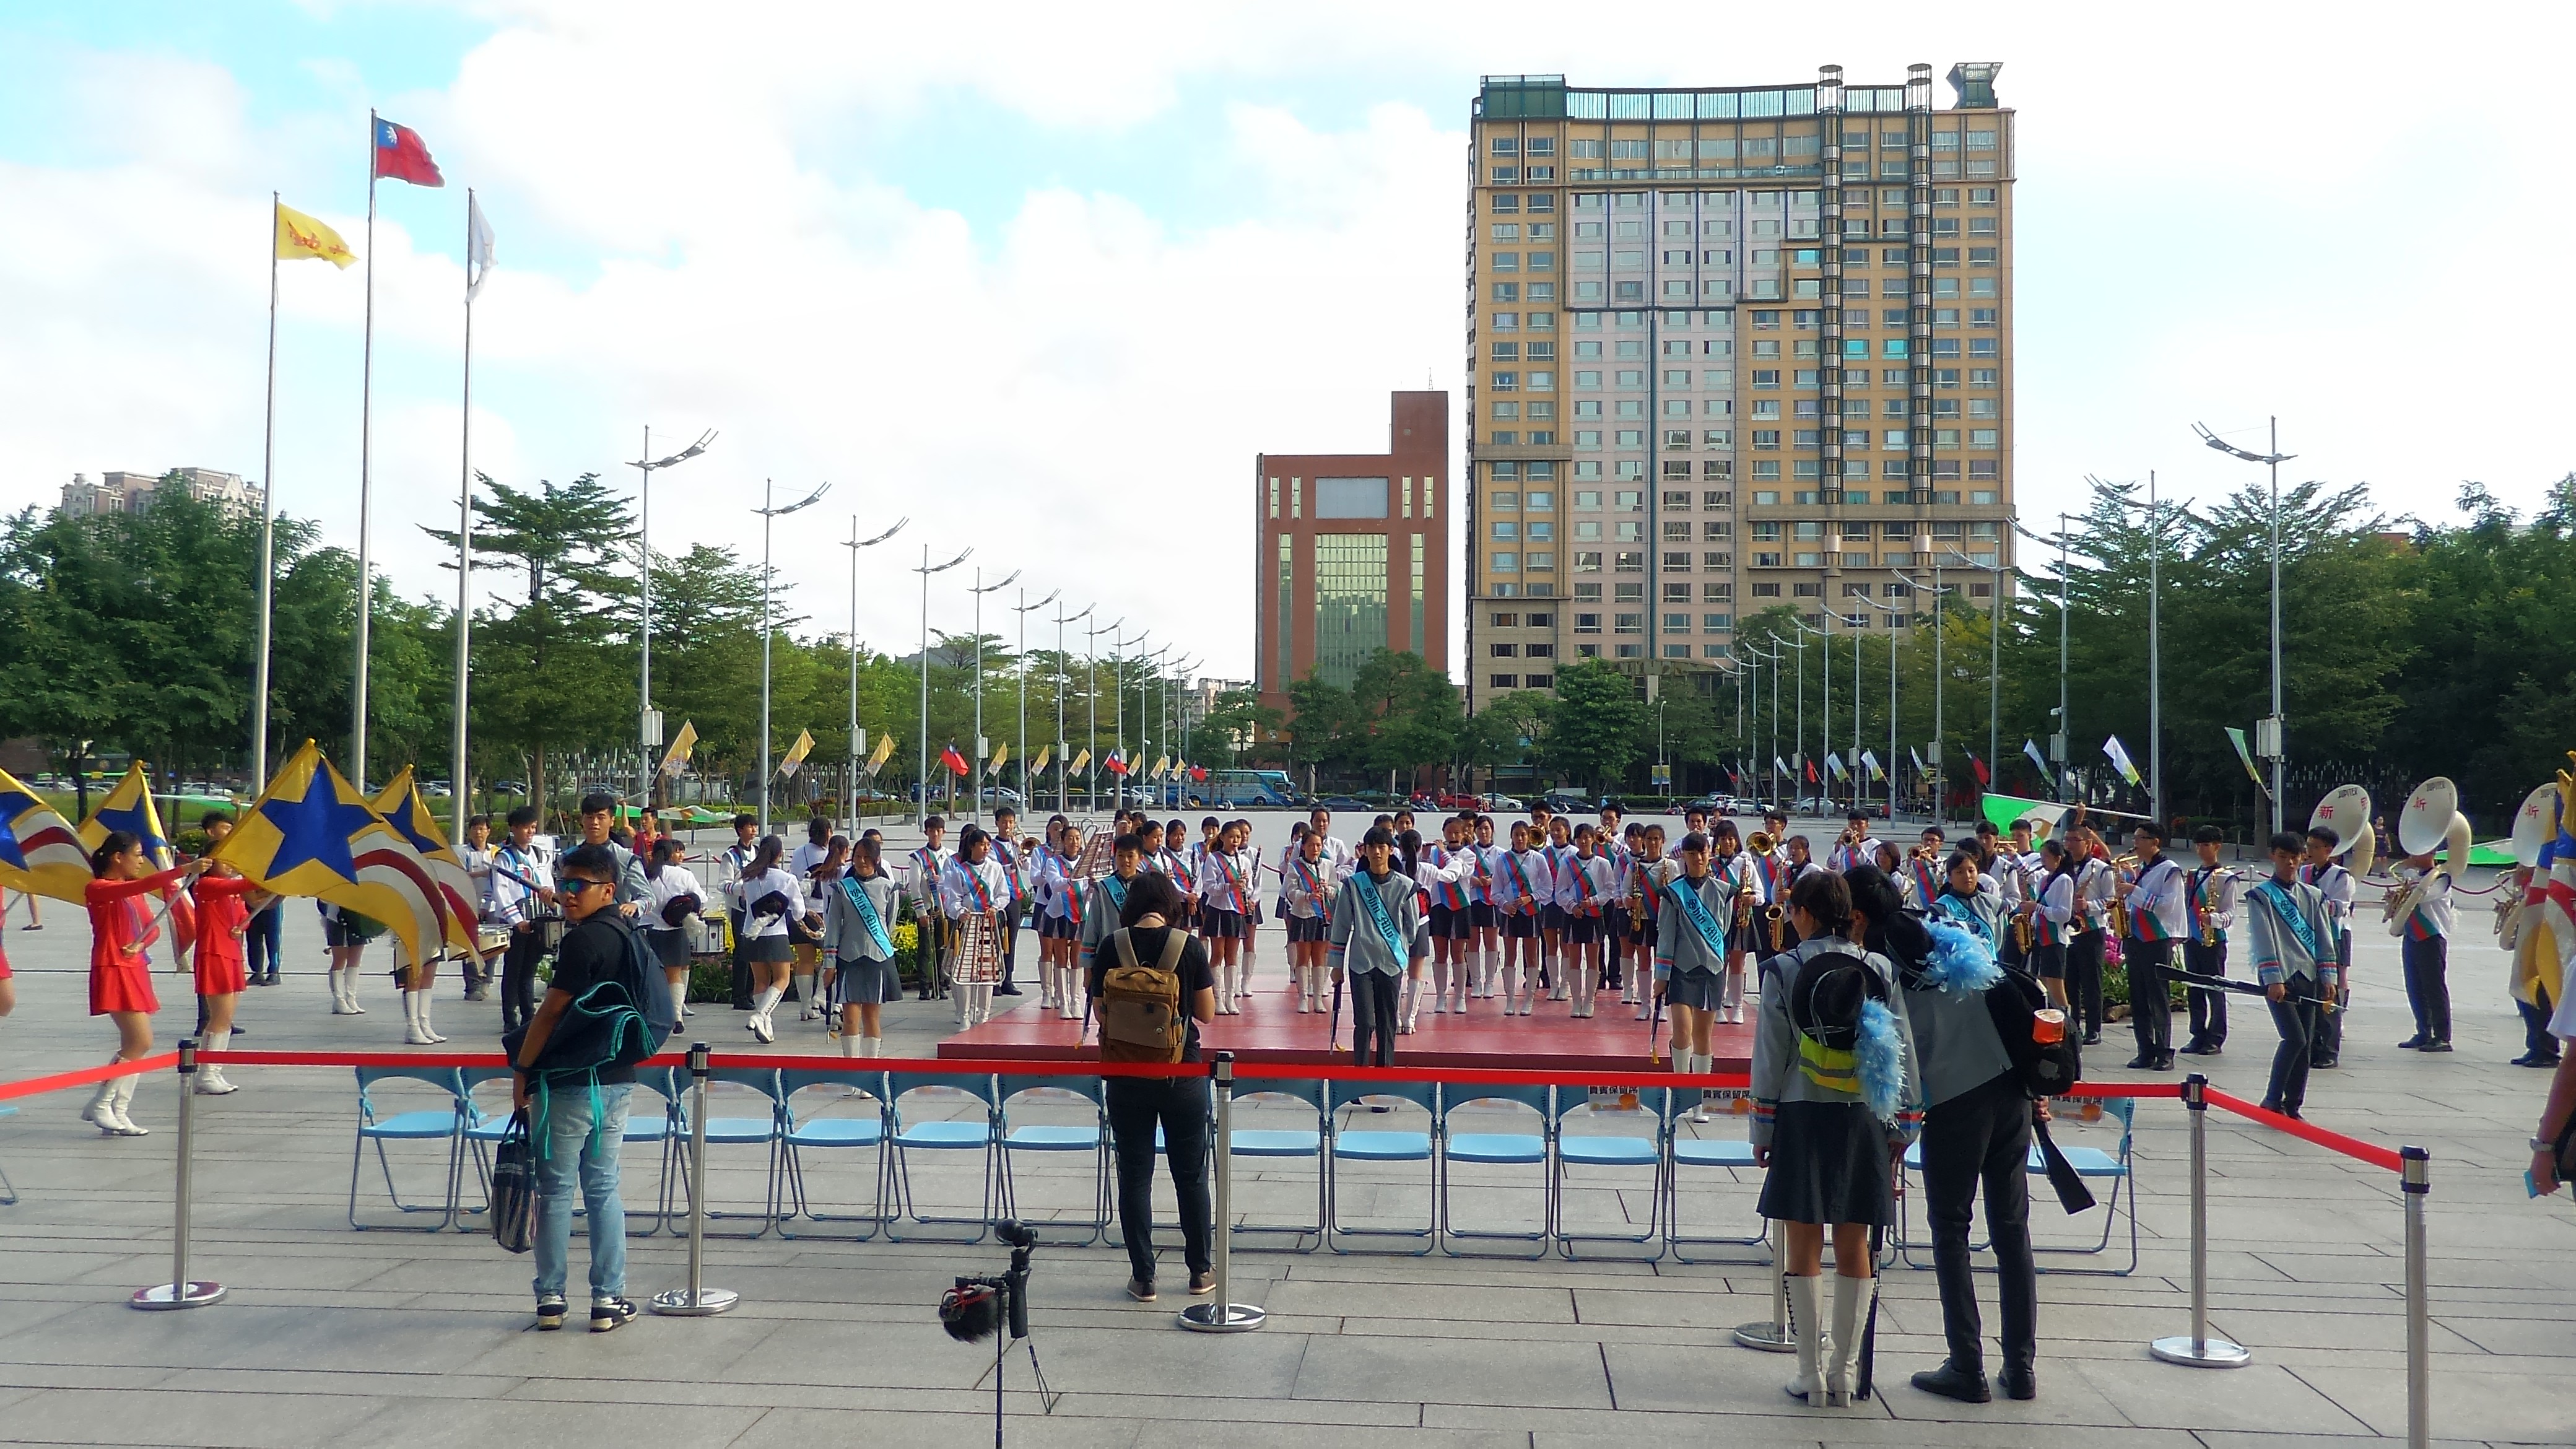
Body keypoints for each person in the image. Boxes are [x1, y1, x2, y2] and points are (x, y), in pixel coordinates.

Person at [1849, 866, 2037, 1404]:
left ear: (1857, 915)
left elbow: (1893, 1058)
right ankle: (2020, 1367)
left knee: (1951, 1231)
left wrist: (1895, 1130)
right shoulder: (1941, 930)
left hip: (1956, 1101)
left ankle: (1967, 1365)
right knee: (2011, 1229)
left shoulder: (1876, 967)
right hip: (2010, 1088)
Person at [1750, 869, 1921, 1409]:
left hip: (1802, 1112)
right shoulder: (1880, 968)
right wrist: (1906, 1123)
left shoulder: (1783, 969)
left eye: (1793, 910)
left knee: (1802, 1242)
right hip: (1864, 1114)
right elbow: (1900, 1048)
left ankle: (1810, 1374)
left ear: (1804, 913)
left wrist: (1762, 1126)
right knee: (1855, 1242)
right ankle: (1844, 1374)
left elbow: (1771, 1053)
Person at [510, 843, 650, 1333]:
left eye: (578, 885)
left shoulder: (583, 942)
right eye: (563, 884)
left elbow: (551, 1010)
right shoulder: (629, 934)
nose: (567, 894)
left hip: (569, 1083)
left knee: (556, 1190)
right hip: (616, 1079)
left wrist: (523, 1069)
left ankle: (551, 1297)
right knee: (603, 1186)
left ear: (608, 890)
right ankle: (608, 1299)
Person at [1087, 871, 1217, 1303]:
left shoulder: (1112, 946)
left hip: (1126, 1076)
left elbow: (1101, 1011)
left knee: (1135, 1175)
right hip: (1182, 1075)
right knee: (1191, 1175)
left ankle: (1144, 1277)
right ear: (1170, 905)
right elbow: (1207, 1013)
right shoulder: (1188, 946)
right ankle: (1200, 1271)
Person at [80, 833, 209, 1135]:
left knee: (136, 1044)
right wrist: (181, 871)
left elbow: (151, 928)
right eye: (137, 855)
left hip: (135, 967)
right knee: (140, 1041)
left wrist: (140, 944)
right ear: (117, 857)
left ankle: (117, 1109)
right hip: (113, 967)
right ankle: (103, 1103)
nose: (141, 861)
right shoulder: (99, 888)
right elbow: (138, 886)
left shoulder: (132, 892)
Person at [2245, 831, 2339, 1120]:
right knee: (2294, 1038)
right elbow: (2263, 938)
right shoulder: (2261, 896)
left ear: (2302, 858)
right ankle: (2272, 1099)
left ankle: (2294, 1104)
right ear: (2273, 857)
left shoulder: (2313, 895)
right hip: (2281, 975)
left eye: (2294, 857)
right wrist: (2273, 978)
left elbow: (2324, 938)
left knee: (2306, 1042)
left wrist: (2329, 976)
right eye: (2282, 857)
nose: (2289, 863)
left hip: (2308, 975)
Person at [1327, 826, 1431, 1066]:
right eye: (1371, 847)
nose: (1376, 852)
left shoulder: (1406, 886)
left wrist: (1399, 947)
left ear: (1391, 850)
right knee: (1365, 1022)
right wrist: (1336, 965)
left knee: (1387, 1023)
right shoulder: (1353, 885)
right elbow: (1341, 926)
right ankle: (1360, 1075)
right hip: (1361, 962)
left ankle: (1384, 1078)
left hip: (1391, 963)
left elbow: (1412, 927)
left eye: (1381, 847)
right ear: (1365, 851)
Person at [1654, 831, 1731, 1102]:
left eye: (1702, 853)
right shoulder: (1672, 893)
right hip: (1681, 970)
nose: (1698, 858)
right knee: (1682, 1030)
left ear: (1709, 854)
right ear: (1684, 857)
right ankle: (1680, 1091)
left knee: (1703, 1035)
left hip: (1712, 970)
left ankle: (1699, 1097)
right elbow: (1666, 935)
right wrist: (1661, 976)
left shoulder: (1724, 891)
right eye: (1692, 854)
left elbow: (1724, 928)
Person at [188, 830, 266, 1092]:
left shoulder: (232, 890)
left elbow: (247, 912)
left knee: (226, 1018)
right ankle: (207, 1073)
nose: (231, 865)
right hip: (214, 953)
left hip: (231, 954)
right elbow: (241, 886)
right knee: (220, 1018)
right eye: (225, 860)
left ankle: (214, 1070)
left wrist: (280, 891)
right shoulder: (206, 885)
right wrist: (271, 875)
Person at [2114, 822, 2186, 1071]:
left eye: (2140, 838)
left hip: (2157, 938)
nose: (2135, 843)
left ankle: (2164, 1052)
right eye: (2134, 838)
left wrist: (2133, 891)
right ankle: (2144, 1050)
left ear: (2155, 842)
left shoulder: (2170, 870)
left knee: (2158, 996)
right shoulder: (2143, 868)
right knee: (2138, 997)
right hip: (2135, 937)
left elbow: (2166, 906)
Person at [823, 838, 902, 1056]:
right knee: (850, 1018)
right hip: (849, 958)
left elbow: (889, 925)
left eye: (867, 857)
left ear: (877, 859)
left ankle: (870, 1069)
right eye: (857, 856)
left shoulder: (888, 888)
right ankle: (852, 1070)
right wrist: (829, 964)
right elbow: (833, 927)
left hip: (877, 958)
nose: (862, 861)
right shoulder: (842, 889)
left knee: (871, 1017)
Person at [487, 806, 556, 1037]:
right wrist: (517, 921)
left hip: (538, 919)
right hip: (517, 923)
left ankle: (529, 1016)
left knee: (529, 971)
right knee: (513, 970)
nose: (530, 832)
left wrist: (550, 902)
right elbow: (502, 892)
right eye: (526, 827)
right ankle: (510, 1018)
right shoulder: (504, 857)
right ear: (514, 828)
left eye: (533, 827)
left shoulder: (540, 855)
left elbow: (548, 884)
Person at [736, 835, 809, 1043]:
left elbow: (744, 902)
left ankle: (766, 1025)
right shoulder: (786, 879)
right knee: (783, 979)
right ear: (780, 854)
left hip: (751, 933)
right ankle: (760, 1015)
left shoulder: (748, 876)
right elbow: (799, 912)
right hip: (776, 933)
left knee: (761, 981)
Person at [942, 825, 1011, 1028]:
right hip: (968, 925)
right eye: (982, 844)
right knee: (964, 971)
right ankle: (964, 1014)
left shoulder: (995, 868)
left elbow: (1003, 895)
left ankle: (983, 1015)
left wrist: (996, 907)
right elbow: (952, 900)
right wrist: (960, 912)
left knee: (986, 971)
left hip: (988, 925)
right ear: (972, 846)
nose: (986, 848)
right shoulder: (959, 871)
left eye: (988, 845)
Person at [2180, 826, 2239, 1057]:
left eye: (2205, 845)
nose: (2200, 850)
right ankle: (2197, 1033)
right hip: (2193, 937)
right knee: (2194, 989)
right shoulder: (2193, 875)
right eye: (2198, 845)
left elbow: (2231, 913)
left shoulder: (2226, 877)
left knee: (2215, 989)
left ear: (2217, 847)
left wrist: (2213, 919)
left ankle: (2216, 1037)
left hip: (2214, 939)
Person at [2301, 826, 2357, 1069]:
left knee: (2329, 988)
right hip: (2307, 937)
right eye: (2309, 846)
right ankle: (2313, 1045)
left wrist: (2312, 902)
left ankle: (2329, 1049)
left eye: (2315, 847)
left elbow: (2340, 907)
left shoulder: (2341, 876)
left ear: (2329, 850)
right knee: (2310, 989)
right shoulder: (2303, 871)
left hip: (2332, 936)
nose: (2310, 851)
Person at [2390, 846, 2454, 1053]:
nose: (2412, 857)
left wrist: (2408, 876)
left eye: (2418, 852)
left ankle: (2442, 1036)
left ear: (2431, 854)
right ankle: (2424, 1031)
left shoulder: (2442, 877)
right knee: (2414, 986)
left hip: (2432, 935)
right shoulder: (2415, 877)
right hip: (2411, 934)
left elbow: (2422, 896)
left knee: (2434, 987)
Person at [643, 839, 704, 1020]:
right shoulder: (684, 874)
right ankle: (677, 1014)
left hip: (648, 930)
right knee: (675, 974)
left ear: (653, 854)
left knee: (652, 976)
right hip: (675, 930)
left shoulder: (646, 875)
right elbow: (701, 898)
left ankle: (655, 1012)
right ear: (671, 854)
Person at [1280, 825, 1336, 1012]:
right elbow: (1290, 892)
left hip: (1322, 914)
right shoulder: (1295, 866)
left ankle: (1318, 998)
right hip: (1302, 914)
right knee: (1303, 957)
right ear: (1303, 847)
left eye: (1318, 845)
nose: (1315, 849)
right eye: (1311, 845)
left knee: (1320, 957)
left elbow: (1335, 890)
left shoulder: (1327, 865)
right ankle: (1303, 997)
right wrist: (1307, 896)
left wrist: (1327, 889)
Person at [713, 813, 759, 1010]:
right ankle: (739, 996)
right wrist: (741, 889)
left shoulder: (758, 852)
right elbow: (722, 884)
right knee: (742, 951)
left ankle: (751, 993)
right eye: (750, 826)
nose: (754, 830)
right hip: (739, 909)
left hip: (755, 908)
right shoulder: (731, 855)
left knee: (754, 951)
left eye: (755, 826)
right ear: (740, 830)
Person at [903, 817, 952, 1001]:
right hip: (927, 908)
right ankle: (924, 987)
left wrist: (943, 880)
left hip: (944, 909)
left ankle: (939, 985)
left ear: (944, 832)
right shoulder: (918, 857)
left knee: (942, 948)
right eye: (932, 831)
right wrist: (921, 912)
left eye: (939, 831)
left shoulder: (950, 855)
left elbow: (955, 882)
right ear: (926, 833)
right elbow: (915, 886)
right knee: (925, 949)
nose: (935, 834)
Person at [457, 814, 497, 1001]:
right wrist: (484, 873)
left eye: (482, 828)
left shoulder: (496, 852)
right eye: (475, 828)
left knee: (493, 945)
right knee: (471, 946)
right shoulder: (462, 852)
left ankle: (487, 980)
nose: (478, 832)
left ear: (488, 831)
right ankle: (472, 986)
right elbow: (459, 875)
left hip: (493, 905)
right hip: (469, 904)